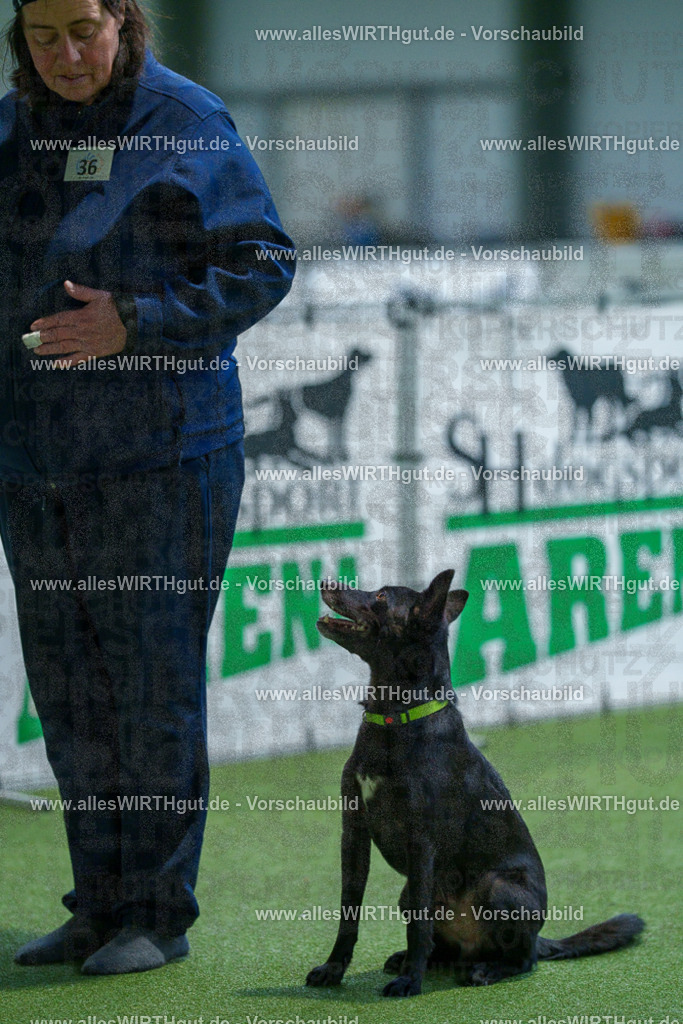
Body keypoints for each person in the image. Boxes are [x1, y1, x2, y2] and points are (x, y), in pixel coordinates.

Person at [0, 0, 295, 974]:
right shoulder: (12, 129)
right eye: (43, 36)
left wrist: (139, 319)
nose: (66, 55)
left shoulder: (188, 121)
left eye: (84, 29)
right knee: (71, 692)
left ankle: (156, 915)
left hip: (166, 457)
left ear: (123, 21)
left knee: (151, 689)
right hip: (39, 464)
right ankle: (99, 904)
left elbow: (264, 263)